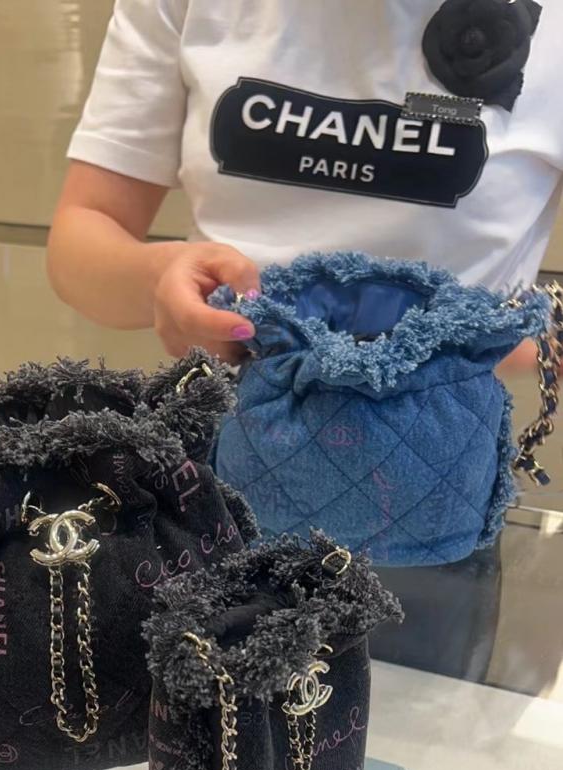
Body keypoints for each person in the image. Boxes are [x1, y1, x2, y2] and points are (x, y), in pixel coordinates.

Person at [47, 0, 563, 682]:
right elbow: (83, 235)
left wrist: (488, 346)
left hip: (427, 504)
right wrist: (159, 279)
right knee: (201, 722)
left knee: (410, 727)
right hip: (211, 473)